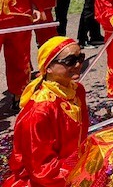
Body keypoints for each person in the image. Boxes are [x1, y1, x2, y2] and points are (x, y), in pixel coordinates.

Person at [4, 36, 89, 186]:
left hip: (73, 170)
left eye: (80, 57)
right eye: (70, 61)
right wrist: (82, 175)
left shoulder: (77, 91)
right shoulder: (39, 111)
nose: (78, 64)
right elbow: (42, 170)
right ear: (48, 68)